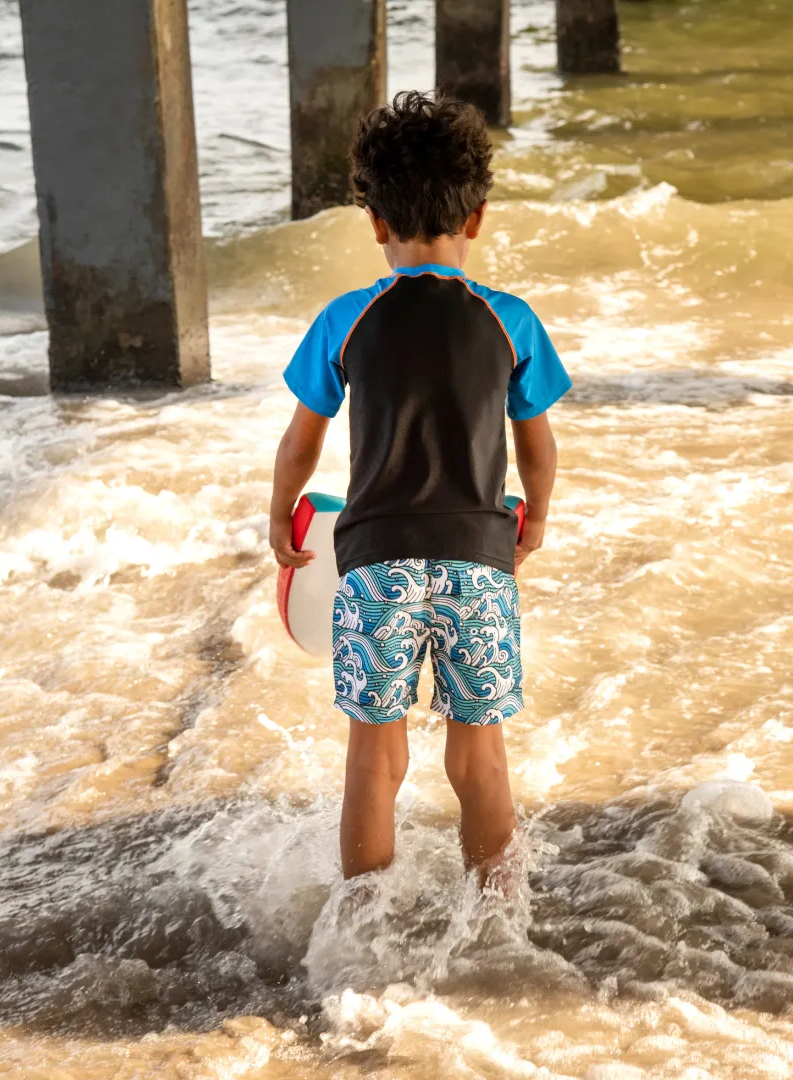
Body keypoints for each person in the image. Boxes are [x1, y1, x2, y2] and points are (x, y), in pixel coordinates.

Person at [268, 90, 570, 883]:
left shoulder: (347, 318)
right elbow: (536, 446)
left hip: (375, 556)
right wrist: (531, 524)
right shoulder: (510, 319)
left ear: (374, 222)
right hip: (479, 554)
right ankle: (499, 917)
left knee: (375, 753)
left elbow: (303, 439)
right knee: (479, 752)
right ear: (476, 216)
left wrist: (281, 519)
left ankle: (362, 926)